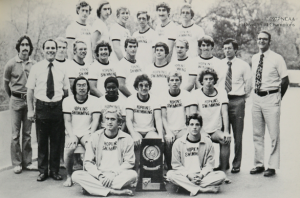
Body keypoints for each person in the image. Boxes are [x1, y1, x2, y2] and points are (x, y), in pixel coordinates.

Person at [26, 39, 69, 181]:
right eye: (48, 48)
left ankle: (55, 170)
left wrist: (66, 110)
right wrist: (31, 111)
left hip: (57, 107)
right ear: (43, 50)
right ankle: (43, 171)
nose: (51, 50)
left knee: (56, 141)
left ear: (56, 50)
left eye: (53, 48)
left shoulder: (62, 68)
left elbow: (66, 91)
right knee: (42, 141)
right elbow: (30, 91)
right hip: (42, 107)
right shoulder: (36, 68)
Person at [72, 107, 137, 196]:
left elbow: (129, 162)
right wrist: (100, 176)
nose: (109, 122)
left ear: (119, 122)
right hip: (98, 175)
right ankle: (113, 191)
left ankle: (95, 189)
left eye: (113, 119)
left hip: (116, 175)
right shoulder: (95, 136)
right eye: (107, 119)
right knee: (75, 175)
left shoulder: (127, 138)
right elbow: (88, 162)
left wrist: (113, 174)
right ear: (103, 121)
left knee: (133, 174)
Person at [250, 31, 289, 177]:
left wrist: (279, 97)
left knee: (274, 134)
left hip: (271, 97)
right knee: (257, 134)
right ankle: (259, 164)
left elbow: (285, 80)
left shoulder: (277, 58)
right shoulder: (254, 58)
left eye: (264, 39)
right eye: (259, 38)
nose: (261, 41)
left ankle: (272, 166)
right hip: (256, 99)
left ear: (269, 42)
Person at [166, 113, 226, 196]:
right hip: (186, 175)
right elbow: (176, 165)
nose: (194, 127)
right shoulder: (178, 143)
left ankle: (186, 186)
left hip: (201, 176)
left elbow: (209, 164)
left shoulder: (208, 142)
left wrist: (201, 175)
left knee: (221, 175)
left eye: (197, 124)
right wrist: (188, 175)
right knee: (170, 175)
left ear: (201, 127)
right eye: (191, 124)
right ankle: (202, 189)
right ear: (187, 126)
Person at [3, 35, 37, 174]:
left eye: (27, 45)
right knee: (15, 134)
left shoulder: (34, 64)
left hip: (29, 101)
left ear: (30, 48)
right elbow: (6, 84)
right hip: (16, 100)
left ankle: (27, 162)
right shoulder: (11, 64)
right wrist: (13, 97)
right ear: (18, 47)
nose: (24, 47)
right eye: (22, 45)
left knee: (27, 134)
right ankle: (16, 163)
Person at [218, 38, 252, 173]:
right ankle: (223, 164)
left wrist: (242, 99)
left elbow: (248, 85)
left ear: (235, 49)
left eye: (230, 48)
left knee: (238, 135)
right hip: (222, 102)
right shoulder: (219, 64)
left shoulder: (243, 65)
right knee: (223, 134)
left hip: (237, 100)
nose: (227, 51)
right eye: (225, 48)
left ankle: (236, 164)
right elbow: (215, 83)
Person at [190, 68, 231, 173]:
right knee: (200, 144)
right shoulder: (195, 94)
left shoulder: (221, 92)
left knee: (225, 139)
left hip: (215, 130)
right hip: (200, 130)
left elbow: (225, 113)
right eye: (206, 79)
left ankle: (223, 171)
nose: (208, 81)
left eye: (211, 79)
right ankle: (200, 170)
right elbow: (193, 115)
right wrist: (201, 132)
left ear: (215, 80)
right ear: (202, 81)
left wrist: (226, 131)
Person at [62, 76, 101, 187]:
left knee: (90, 146)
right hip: (72, 132)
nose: (81, 88)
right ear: (75, 87)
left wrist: (91, 135)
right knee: (69, 149)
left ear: (88, 87)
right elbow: (67, 121)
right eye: (79, 85)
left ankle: (90, 176)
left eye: (84, 85)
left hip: (87, 132)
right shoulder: (67, 101)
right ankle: (69, 176)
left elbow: (95, 120)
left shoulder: (95, 101)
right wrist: (72, 135)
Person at [126, 74, 163, 171]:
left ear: (149, 87)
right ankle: (135, 174)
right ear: (136, 87)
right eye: (141, 85)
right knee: (136, 142)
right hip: (136, 131)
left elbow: (158, 119)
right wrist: (133, 134)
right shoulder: (130, 100)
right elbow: (128, 119)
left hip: (149, 131)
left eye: (146, 85)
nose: (144, 88)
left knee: (156, 140)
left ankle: (154, 174)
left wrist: (160, 135)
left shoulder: (155, 99)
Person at [161, 70, 192, 170]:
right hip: (168, 128)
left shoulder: (186, 95)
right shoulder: (163, 95)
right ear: (168, 82)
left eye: (177, 80)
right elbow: (163, 117)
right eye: (172, 80)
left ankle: (183, 166)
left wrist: (188, 130)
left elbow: (188, 115)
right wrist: (168, 132)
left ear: (180, 82)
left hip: (181, 128)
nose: (174, 82)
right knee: (168, 141)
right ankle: (169, 166)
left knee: (185, 139)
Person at [55, 36, 72, 168]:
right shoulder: (52, 63)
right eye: (59, 47)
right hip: (55, 102)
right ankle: (57, 159)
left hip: (68, 100)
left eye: (63, 48)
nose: (61, 50)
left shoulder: (69, 63)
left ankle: (70, 159)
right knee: (56, 131)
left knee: (68, 129)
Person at [66, 0, 93, 65]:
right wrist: (72, 64)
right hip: (77, 64)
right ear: (78, 11)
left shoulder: (91, 28)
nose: (84, 13)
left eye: (87, 11)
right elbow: (70, 49)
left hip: (89, 64)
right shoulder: (72, 27)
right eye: (82, 10)